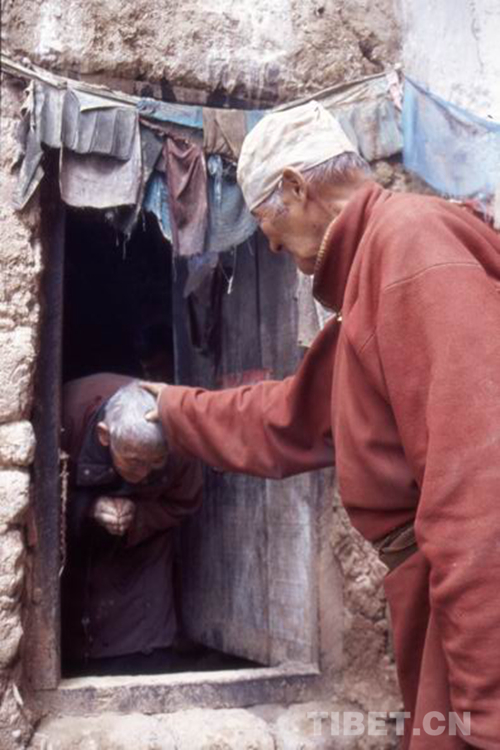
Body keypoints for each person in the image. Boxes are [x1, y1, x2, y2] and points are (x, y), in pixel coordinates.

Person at [142, 101, 500, 747]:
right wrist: (173, 407)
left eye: (268, 226)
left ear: (295, 187)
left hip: (477, 600)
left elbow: (479, 488)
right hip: (437, 595)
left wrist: (485, 706)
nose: (275, 248)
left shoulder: (413, 250)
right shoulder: (376, 269)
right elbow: (296, 416)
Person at [61, 374, 202, 676]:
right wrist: (86, 508)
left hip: (142, 566)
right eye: (135, 461)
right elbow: (34, 496)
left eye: (156, 462)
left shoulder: (179, 438)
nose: (145, 474)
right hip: (73, 563)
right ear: (104, 435)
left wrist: (140, 515)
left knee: (146, 664)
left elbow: (184, 501)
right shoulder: (66, 416)